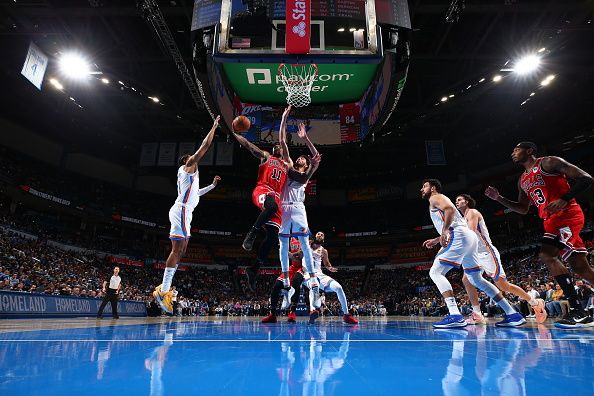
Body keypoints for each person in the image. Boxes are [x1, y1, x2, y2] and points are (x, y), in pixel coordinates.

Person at [485, 141, 594, 328]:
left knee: (546, 254)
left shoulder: (549, 162)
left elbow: (586, 178)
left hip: (567, 214)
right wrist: (499, 198)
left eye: (516, 149)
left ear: (530, 150)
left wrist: (564, 199)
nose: (513, 152)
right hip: (550, 221)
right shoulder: (522, 180)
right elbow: (523, 209)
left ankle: (578, 310)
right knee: (580, 267)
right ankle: (580, 312)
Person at [421, 179, 525, 328]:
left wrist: (444, 232)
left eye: (424, 186)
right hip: (469, 238)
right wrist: (438, 239)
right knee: (476, 279)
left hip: (459, 236)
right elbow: (455, 220)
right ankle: (512, 314)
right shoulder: (437, 200)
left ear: (433, 188)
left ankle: (455, 315)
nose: (421, 189)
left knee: (435, 272)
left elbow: (449, 210)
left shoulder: (435, 197)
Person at [153, 116, 221, 314]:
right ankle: (163, 290)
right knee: (177, 250)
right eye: (191, 157)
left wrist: (213, 186)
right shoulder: (187, 167)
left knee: (182, 251)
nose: (194, 158)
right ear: (186, 161)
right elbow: (205, 146)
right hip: (181, 210)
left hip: (186, 211)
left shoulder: (191, 178)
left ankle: (164, 288)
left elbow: (197, 194)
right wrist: (214, 127)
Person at [454, 194, 547, 324]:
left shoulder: (473, 212)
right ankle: (477, 313)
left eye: (459, 199)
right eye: (456, 201)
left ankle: (535, 302)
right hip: (475, 254)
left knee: (504, 286)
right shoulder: (463, 218)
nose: (456, 202)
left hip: (487, 253)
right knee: (466, 280)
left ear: (467, 201)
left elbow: (470, 234)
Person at [232, 114, 290, 292]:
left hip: (278, 200)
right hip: (263, 190)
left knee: (272, 237)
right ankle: (252, 233)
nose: (278, 147)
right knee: (271, 205)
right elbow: (248, 145)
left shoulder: (287, 164)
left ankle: (254, 269)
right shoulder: (266, 156)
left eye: (280, 146)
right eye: (276, 146)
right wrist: (235, 133)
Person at [276, 107, 322, 317]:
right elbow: (283, 142)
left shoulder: (308, 172)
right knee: (283, 244)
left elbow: (316, 156)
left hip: (298, 209)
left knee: (305, 244)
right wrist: (284, 119)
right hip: (285, 207)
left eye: (304, 159)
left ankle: (313, 284)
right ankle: (286, 285)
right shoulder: (288, 164)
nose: (302, 159)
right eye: (300, 158)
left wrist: (306, 138)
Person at [302, 232, 359, 324]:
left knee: (338, 288)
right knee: (314, 285)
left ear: (323, 239)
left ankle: (346, 315)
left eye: (322, 235)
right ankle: (313, 311)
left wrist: (330, 268)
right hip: (307, 274)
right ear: (315, 236)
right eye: (318, 234)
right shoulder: (307, 244)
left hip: (319, 274)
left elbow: (327, 264)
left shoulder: (324, 251)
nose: (320, 235)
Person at [261, 237, 303, 323]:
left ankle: (292, 312)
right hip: (292, 268)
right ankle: (272, 314)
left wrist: (288, 254)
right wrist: (283, 249)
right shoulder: (289, 238)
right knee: (276, 286)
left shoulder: (305, 239)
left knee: (296, 285)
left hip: (303, 268)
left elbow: (300, 259)